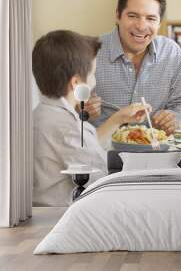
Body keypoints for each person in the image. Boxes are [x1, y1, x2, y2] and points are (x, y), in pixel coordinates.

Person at [32, 30, 150, 206]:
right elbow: (100, 182)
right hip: (64, 217)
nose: (94, 80)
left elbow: (83, 148)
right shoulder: (70, 127)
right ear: (76, 83)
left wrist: (118, 118)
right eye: (92, 73)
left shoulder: (40, 114)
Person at [86, 0, 181, 135]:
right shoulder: (90, 53)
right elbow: (71, 113)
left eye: (151, 18)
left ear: (159, 23)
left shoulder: (172, 53)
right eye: (133, 16)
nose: (141, 26)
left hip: (156, 150)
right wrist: (83, 111)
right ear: (118, 15)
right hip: (103, 151)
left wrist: (175, 118)